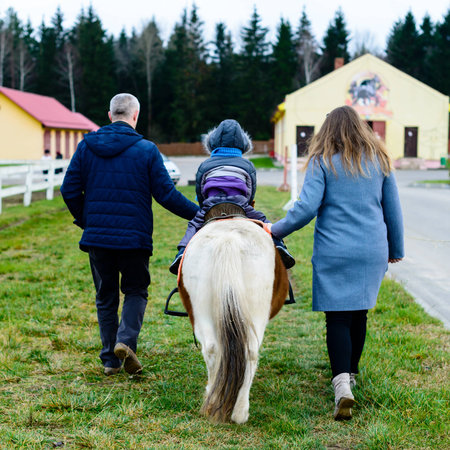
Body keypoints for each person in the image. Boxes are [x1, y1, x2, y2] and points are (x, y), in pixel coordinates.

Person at [270, 106, 404, 420]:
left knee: (338, 319)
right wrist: (396, 248)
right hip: (371, 250)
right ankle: (352, 374)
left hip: (335, 250)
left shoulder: (322, 162)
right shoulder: (380, 161)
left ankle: (342, 383)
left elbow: (305, 209)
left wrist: (272, 230)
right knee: (359, 312)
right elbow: (393, 210)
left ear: (327, 132)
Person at [61, 93, 199, 376]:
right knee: (136, 290)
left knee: (106, 295)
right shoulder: (147, 149)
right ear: (135, 116)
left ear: (110, 115)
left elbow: (69, 190)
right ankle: (125, 341)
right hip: (134, 239)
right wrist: (200, 214)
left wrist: (87, 220)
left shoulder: (86, 146)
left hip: (98, 238)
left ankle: (110, 361)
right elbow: (166, 195)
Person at [169, 119, 295, 275]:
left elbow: (200, 191)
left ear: (212, 142)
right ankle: (278, 245)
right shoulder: (247, 165)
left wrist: (205, 206)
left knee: (193, 225)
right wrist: (245, 204)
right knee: (263, 221)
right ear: (243, 143)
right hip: (240, 205)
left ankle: (182, 253)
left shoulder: (205, 165)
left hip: (211, 206)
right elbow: (250, 191)